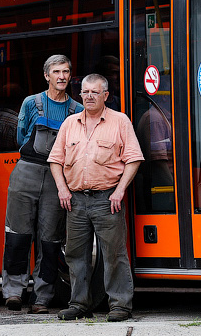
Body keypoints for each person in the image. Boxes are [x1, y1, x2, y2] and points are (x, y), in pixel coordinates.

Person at [48, 73, 144, 322]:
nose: (89, 96)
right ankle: (79, 304)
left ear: (105, 96)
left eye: (94, 92)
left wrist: (120, 190)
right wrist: (62, 189)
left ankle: (120, 305)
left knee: (113, 254)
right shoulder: (70, 124)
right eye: (85, 92)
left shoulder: (120, 121)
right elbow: (55, 161)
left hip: (107, 199)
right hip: (76, 200)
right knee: (76, 255)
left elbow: (133, 159)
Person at [2, 55, 83, 313]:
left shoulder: (78, 110)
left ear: (70, 76)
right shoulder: (31, 103)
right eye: (56, 71)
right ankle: (14, 292)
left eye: (66, 71)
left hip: (58, 178)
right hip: (26, 171)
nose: (62, 76)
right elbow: (20, 136)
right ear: (46, 75)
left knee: (50, 241)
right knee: (17, 236)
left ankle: (42, 298)